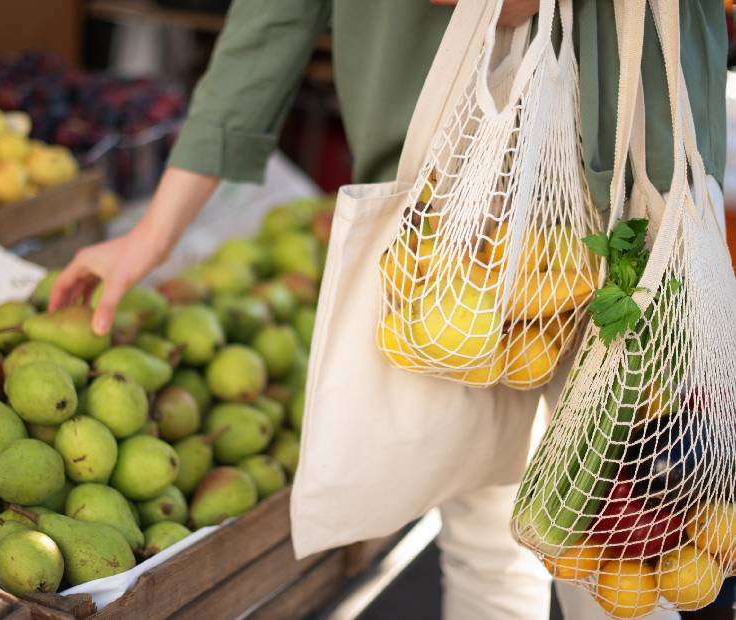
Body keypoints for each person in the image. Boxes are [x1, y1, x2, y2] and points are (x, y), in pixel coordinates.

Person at [51, 2, 726, 618]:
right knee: (489, 528)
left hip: (635, 181)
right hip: (453, 204)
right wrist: (153, 233)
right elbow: (273, 18)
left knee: (623, 553)